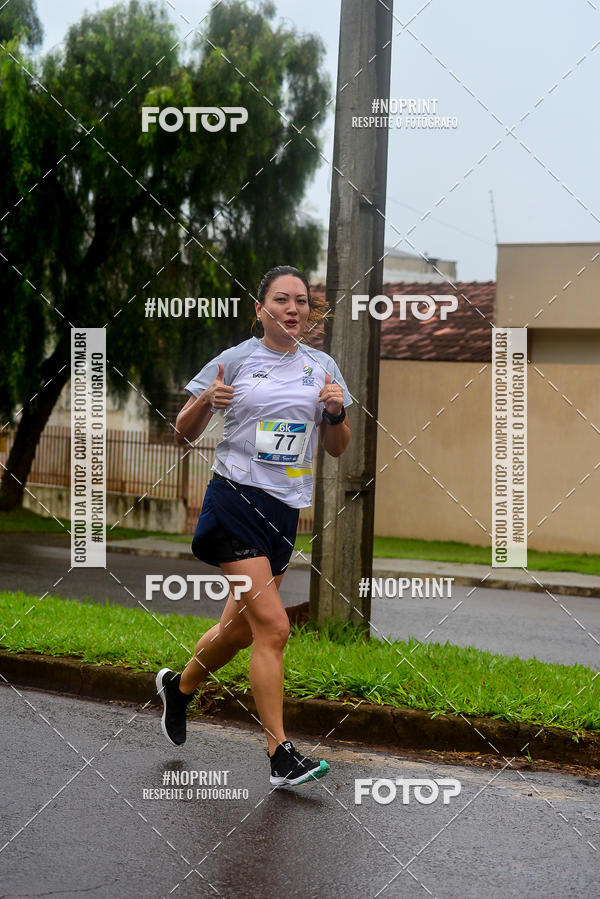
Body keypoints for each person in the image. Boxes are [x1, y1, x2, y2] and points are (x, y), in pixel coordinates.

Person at [156, 264, 352, 787]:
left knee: (240, 629)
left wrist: (335, 414)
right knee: (273, 626)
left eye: (303, 302)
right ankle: (280, 756)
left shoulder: (323, 366)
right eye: (283, 300)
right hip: (234, 502)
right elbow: (182, 431)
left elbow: (337, 448)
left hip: (285, 511)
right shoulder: (235, 360)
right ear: (260, 309)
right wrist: (206, 402)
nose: (294, 309)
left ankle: (180, 687)